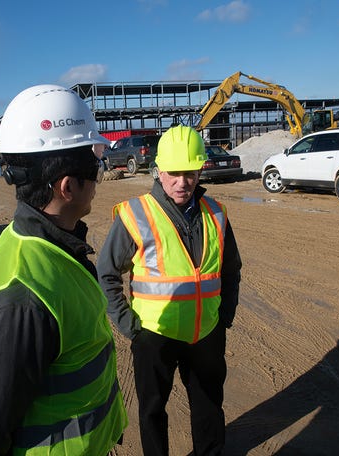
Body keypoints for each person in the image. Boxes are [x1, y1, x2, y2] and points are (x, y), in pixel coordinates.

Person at [0, 84, 128, 455]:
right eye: (96, 165)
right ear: (67, 186)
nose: (99, 176)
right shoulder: (23, 301)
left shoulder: (45, 244)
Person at [97, 125, 242, 456]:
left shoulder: (216, 212)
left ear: (199, 169)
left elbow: (231, 268)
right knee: (152, 411)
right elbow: (106, 272)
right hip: (154, 335)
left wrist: (224, 317)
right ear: (158, 170)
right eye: (174, 173)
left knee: (209, 407)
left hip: (206, 332)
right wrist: (129, 325)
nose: (183, 182)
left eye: (190, 172)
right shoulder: (136, 214)